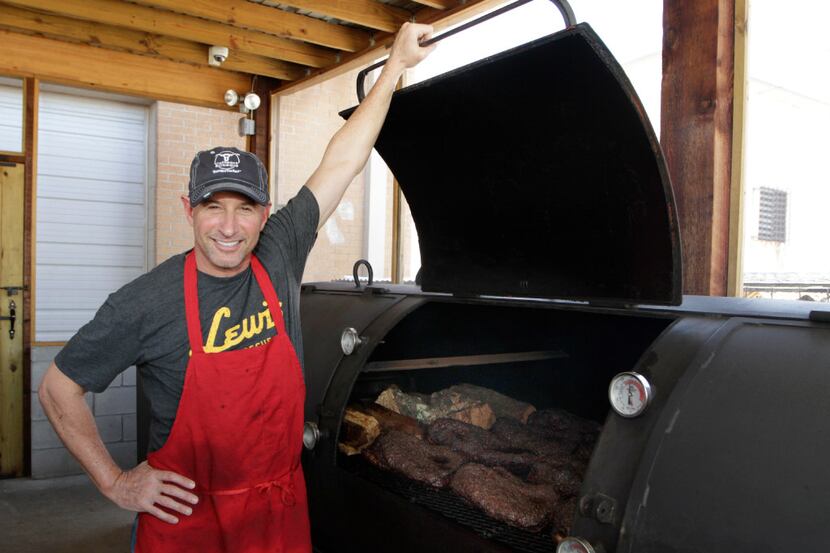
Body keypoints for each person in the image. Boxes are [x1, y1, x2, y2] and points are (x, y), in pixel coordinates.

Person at [37, 22, 436, 553]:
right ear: (189, 210)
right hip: (186, 523)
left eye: (244, 208)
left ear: (264, 214)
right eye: (213, 207)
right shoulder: (145, 301)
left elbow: (343, 158)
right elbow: (58, 387)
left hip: (276, 511)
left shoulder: (280, 249)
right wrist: (114, 482)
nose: (228, 227)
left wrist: (395, 66)